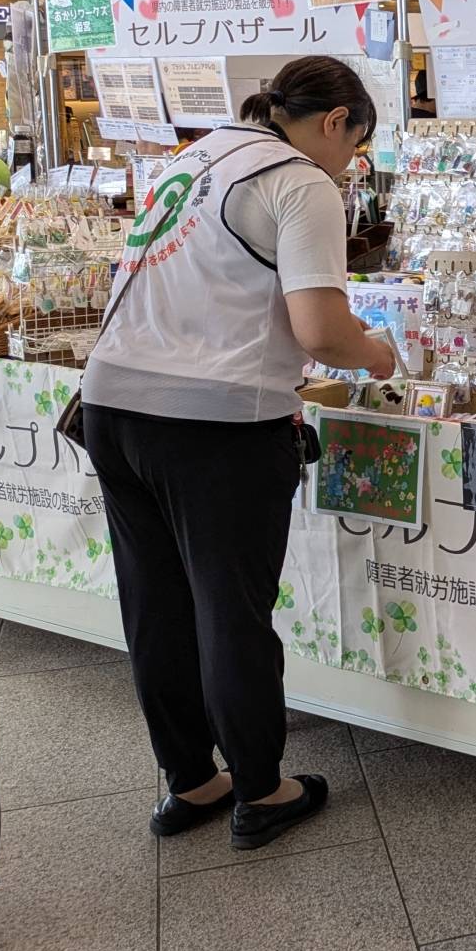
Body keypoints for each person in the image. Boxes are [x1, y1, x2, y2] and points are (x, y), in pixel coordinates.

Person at [78, 57, 397, 850]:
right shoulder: (301, 182)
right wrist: (381, 354)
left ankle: (190, 782)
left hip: (112, 403)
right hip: (217, 420)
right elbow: (322, 331)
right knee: (231, 610)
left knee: (156, 603)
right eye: (355, 145)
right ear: (335, 122)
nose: (351, 164)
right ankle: (262, 788)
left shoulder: (192, 158)